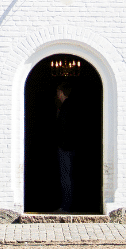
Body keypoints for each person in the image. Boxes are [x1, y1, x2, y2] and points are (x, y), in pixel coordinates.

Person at [53, 81, 80, 213]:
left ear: (62, 92)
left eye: (58, 91)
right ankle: (66, 205)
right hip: (67, 146)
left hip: (66, 147)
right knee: (67, 176)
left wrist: (62, 145)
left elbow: (65, 128)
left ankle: (66, 206)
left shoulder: (67, 107)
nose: (57, 94)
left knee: (66, 177)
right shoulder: (68, 106)